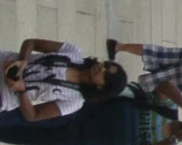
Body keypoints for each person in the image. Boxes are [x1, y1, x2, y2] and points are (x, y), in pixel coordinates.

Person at [0, 93, 182, 145]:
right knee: (23, 117)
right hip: (81, 113)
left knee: (21, 136)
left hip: (82, 142)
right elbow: (165, 87)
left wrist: (173, 139)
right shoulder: (169, 108)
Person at [0, 40, 128, 128]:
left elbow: (33, 115)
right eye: (105, 65)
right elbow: (31, 42)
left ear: (101, 87)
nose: (101, 69)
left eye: (105, 75)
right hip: (4, 62)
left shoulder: (74, 102)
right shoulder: (73, 53)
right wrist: (23, 60)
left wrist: (22, 91)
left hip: (4, 96)